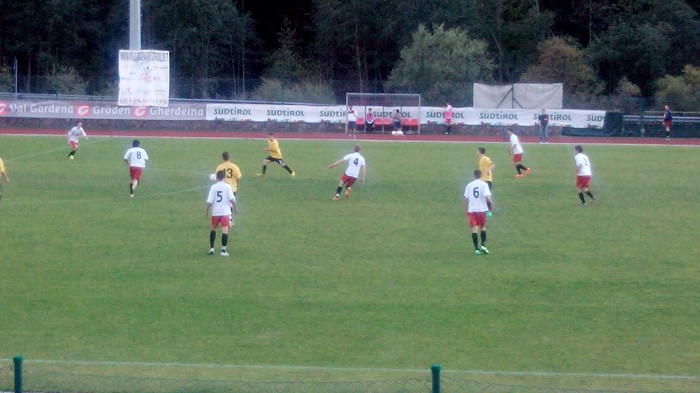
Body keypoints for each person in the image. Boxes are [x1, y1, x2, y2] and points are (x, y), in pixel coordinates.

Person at [205, 170, 238, 256]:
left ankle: (211, 248)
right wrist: (235, 207)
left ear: (216, 178)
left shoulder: (213, 187)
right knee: (225, 230)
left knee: (214, 228)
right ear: (224, 177)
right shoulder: (227, 187)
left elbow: (209, 201)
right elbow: (232, 199)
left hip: (215, 212)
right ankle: (223, 251)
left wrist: (207, 210)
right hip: (225, 212)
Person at [464, 169, 494, 255]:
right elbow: (487, 197)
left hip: (472, 210)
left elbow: (465, 198)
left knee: (474, 228)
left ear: (474, 176)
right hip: (482, 209)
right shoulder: (484, 185)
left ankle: (476, 249)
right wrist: (491, 203)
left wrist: (466, 209)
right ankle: (483, 245)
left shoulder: (469, 185)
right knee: (483, 227)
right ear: (480, 175)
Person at [477, 147, 495, 216]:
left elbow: (493, 164)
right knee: (482, 195)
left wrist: (488, 170)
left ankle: (489, 212)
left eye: (477, 151)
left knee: (487, 196)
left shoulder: (485, 158)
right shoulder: (481, 159)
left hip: (487, 180)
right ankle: (483, 210)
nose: (476, 152)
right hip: (482, 180)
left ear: (480, 152)